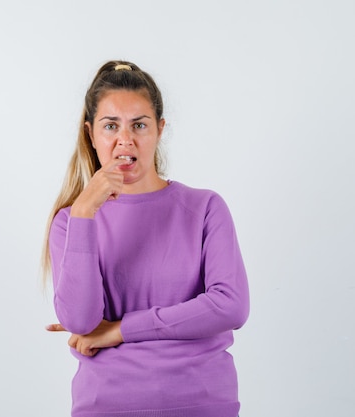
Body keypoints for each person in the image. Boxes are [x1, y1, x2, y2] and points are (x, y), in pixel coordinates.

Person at [42, 60, 250, 417]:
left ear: (159, 129)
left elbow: (229, 306)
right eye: (111, 126)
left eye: (139, 124)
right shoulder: (71, 221)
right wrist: (84, 214)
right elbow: (81, 322)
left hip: (202, 403)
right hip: (106, 406)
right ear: (91, 135)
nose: (126, 140)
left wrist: (121, 330)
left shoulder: (205, 208)